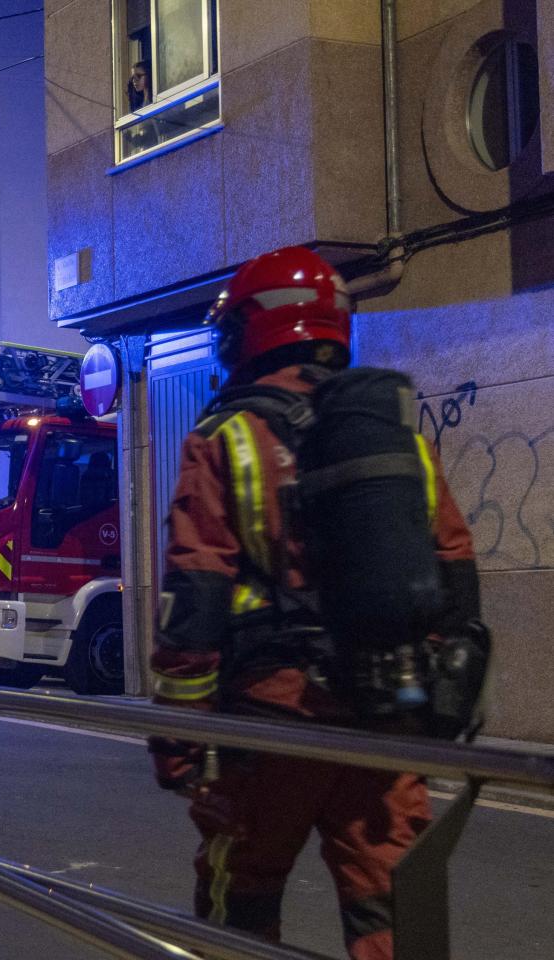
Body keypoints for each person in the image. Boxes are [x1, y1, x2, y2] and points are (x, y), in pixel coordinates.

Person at [150, 247, 480, 960]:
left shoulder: (226, 439)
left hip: (273, 724)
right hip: (382, 712)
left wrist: (180, 742)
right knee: (388, 902)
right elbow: (454, 565)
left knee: (242, 895)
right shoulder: (397, 444)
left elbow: (195, 594)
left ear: (255, 330)